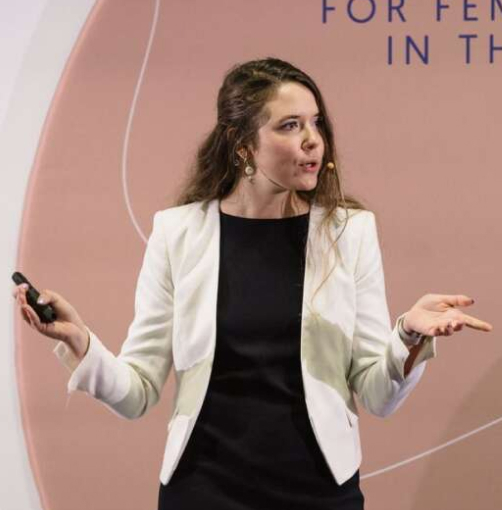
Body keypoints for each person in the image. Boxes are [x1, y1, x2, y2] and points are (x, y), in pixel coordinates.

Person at [13, 57, 493, 510]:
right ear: (242, 144)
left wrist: (406, 335)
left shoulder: (349, 233)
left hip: (319, 491)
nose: (313, 140)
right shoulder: (177, 233)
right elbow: (137, 392)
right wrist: (82, 343)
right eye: (290, 125)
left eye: (316, 122)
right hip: (204, 490)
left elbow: (377, 395)